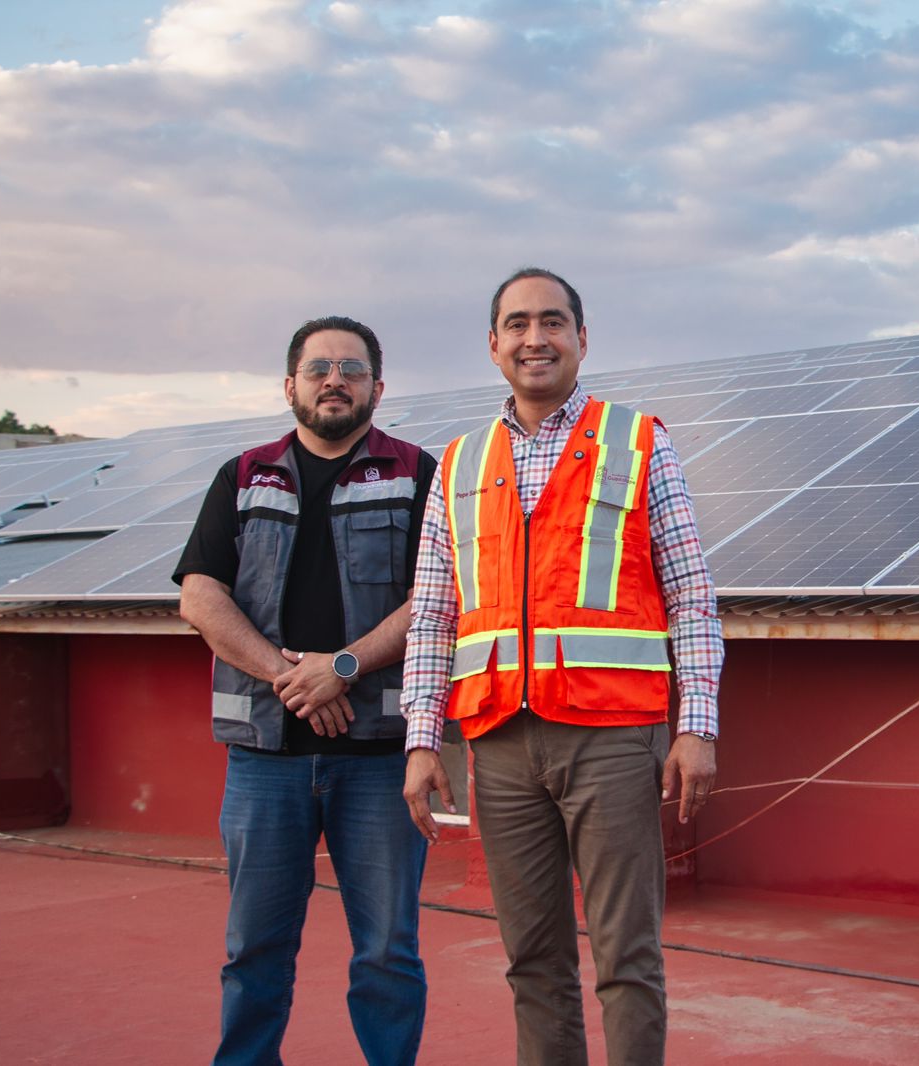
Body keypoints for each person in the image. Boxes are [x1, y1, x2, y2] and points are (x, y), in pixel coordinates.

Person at [402, 268, 723, 1065]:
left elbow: (690, 593)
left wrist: (697, 727)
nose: (534, 338)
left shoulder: (639, 439)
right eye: (517, 324)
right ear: (493, 344)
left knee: (627, 958)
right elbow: (434, 611)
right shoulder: (458, 464)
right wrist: (419, 740)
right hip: (500, 745)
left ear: (583, 338)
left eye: (552, 322)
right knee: (533, 964)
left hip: (613, 737)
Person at [175, 315, 439, 1066]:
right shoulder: (243, 474)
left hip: (380, 759)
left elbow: (438, 595)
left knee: (388, 952)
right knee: (253, 950)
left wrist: (343, 667)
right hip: (264, 761)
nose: (335, 380)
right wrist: (292, 678)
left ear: (377, 388)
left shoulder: (420, 474)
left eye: (351, 369)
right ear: (289, 384)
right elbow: (201, 597)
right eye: (318, 368)